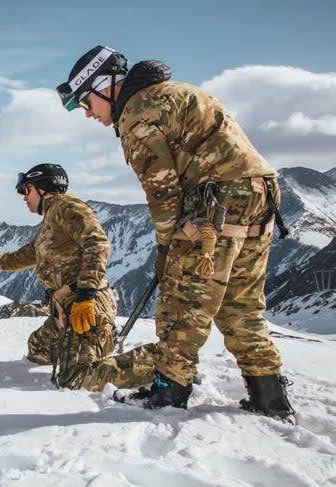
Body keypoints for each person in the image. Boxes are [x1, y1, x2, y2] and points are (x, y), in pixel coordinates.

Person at [55, 45, 295, 419]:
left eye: (87, 102)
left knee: (180, 303)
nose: (88, 113)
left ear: (106, 86)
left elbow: (163, 191)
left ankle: (169, 392)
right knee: (241, 305)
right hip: (260, 197)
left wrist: (167, 249)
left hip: (216, 204)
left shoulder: (137, 113)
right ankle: (269, 396)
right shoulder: (176, 93)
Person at [0, 163, 117, 372]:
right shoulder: (50, 223)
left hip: (84, 305)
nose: (24, 196)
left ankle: (102, 340)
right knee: (37, 348)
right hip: (66, 307)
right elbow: (16, 259)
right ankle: (96, 340)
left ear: (43, 188)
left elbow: (97, 243)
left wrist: (86, 294)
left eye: (27, 190)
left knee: (77, 372)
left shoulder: (66, 206)